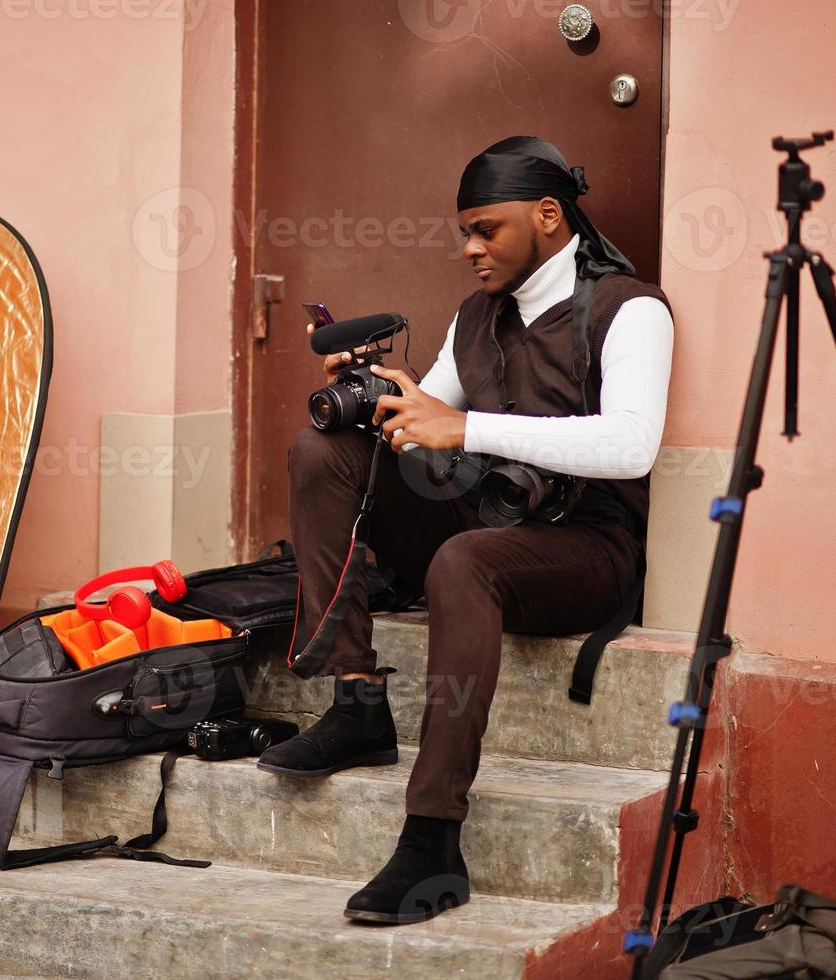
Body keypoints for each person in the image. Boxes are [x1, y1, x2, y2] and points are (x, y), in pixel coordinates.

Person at [254, 136, 675, 924]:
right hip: (489, 516)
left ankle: (432, 840)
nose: (469, 248)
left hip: (585, 546)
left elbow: (630, 446)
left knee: (461, 562)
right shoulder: (478, 315)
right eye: (464, 232)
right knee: (326, 449)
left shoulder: (630, 308)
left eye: (486, 229)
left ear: (547, 216)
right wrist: (384, 400)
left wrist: (465, 426)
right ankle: (355, 702)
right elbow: (429, 426)